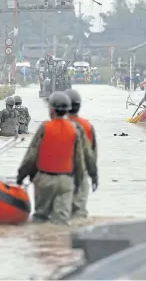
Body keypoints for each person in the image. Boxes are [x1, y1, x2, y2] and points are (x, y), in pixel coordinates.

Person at [16, 91, 85, 225]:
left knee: (41, 218)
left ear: (52, 110)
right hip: (66, 181)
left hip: (45, 180)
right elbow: (79, 160)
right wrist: (79, 182)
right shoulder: (74, 129)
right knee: (61, 221)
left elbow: (32, 155)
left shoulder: (45, 127)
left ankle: (42, 243)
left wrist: (22, 175)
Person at [64, 89, 99, 219]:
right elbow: (92, 153)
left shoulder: (57, 125)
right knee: (79, 213)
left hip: (61, 173)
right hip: (82, 173)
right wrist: (94, 175)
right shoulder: (87, 126)